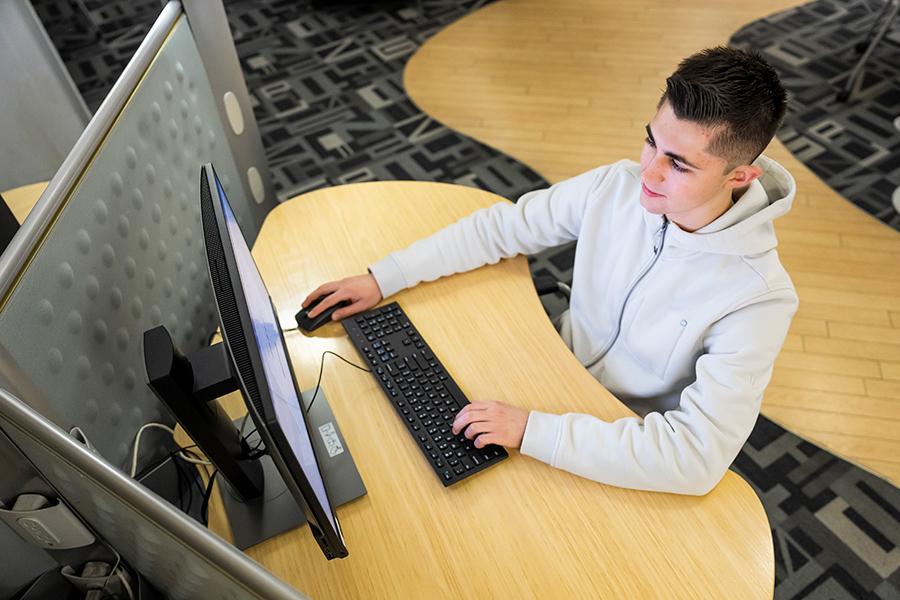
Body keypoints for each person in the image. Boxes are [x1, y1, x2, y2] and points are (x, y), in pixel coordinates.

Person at [301, 46, 798, 496]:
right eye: (650, 142)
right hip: (546, 378)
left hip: (616, 445)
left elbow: (694, 458)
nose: (647, 173)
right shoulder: (616, 186)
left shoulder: (758, 298)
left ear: (740, 175)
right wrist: (384, 277)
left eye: (679, 164)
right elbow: (502, 229)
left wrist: (532, 431)